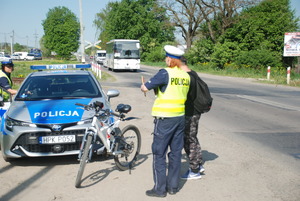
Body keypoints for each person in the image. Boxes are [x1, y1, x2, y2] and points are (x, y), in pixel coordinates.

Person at [141, 45, 190, 197]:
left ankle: (159, 189)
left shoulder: (164, 73)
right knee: (175, 153)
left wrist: (143, 86)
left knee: (159, 153)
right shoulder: (185, 76)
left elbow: (145, 88)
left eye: (166, 58)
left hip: (165, 119)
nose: (165, 60)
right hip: (180, 118)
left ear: (170, 59)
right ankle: (173, 187)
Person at [179, 56, 205, 180]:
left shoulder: (187, 77)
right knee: (192, 138)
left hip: (190, 112)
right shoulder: (193, 73)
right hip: (195, 111)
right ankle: (198, 164)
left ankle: (194, 170)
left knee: (188, 139)